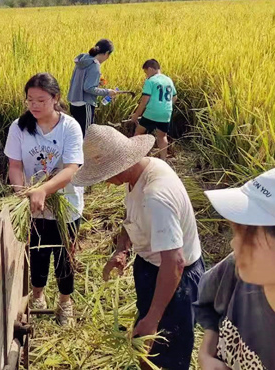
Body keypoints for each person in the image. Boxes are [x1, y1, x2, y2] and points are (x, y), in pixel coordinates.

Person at [73, 124, 203, 370]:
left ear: (122, 165)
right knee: (145, 345)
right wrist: (122, 249)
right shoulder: (140, 174)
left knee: (167, 356)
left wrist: (153, 319)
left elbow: (175, 263)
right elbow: (131, 215)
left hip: (176, 280)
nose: (107, 182)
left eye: (105, 174)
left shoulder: (157, 195)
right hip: (152, 267)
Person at [195, 166, 275, 370]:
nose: (234, 245)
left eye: (250, 238)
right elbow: (207, 305)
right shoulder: (236, 269)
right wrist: (206, 353)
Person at [4, 72, 84, 326]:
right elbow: (14, 165)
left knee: (63, 255)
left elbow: (72, 169)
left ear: (55, 98)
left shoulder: (70, 126)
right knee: (36, 253)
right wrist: (23, 192)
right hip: (33, 205)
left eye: (41, 100)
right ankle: (37, 296)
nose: (34, 105)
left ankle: (65, 302)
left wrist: (44, 190)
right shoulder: (19, 127)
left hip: (66, 204)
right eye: (30, 100)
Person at [67, 38, 119, 136]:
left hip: (74, 102)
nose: (107, 58)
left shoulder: (83, 60)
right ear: (106, 53)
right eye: (109, 55)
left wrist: (97, 83)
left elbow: (80, 82)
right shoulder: (95, 65)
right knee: (87, 136)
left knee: (77, 135)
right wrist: (107, 92)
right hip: (84, 104)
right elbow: (88, 88)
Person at [130, 59, 177, 160]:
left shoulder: (150, 81)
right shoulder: (168, 80)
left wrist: (135, 116)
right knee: (162, 136)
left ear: (150, 69)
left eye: (146, 72)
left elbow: (144, 101)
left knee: (138, 133)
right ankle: (164, 160)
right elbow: (174, 97)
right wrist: (165, 106)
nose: (146, 75)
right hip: (166, 113)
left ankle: (135, 158)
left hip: (152, 112)